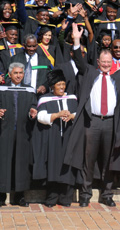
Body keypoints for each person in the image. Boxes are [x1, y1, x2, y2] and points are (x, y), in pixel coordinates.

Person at [64, 24, 120, 208]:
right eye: (103, 61)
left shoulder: (119, 76)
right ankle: (85, 194)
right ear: (98, 61)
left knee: (110, 160)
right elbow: (78, 60)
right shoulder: (90, 73)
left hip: (110, 123)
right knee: (88, 159)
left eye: (109, 62)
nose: (106, 64)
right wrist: (77, 40)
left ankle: (107, 194)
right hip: (92, 122)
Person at [0, 62, 38, 208]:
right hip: (5, 131)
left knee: (21, 164)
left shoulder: (29, 90)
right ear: (9, 75)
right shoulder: (1, 89)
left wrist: (32, 113)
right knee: (4, 163)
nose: (18, 76)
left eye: (20, 73)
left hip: (24, 132)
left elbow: (34, 106)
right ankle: (0, 197)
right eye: (15, 73)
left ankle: (20, 197)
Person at [34, 70, 78, 207]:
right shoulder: (45, 99)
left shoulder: (72, 98)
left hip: (69, 137)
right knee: (53, 167)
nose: (61, 87)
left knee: (67, 167)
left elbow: (79, 114)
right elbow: (41, 117)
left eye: (63, 84)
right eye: (58, 85)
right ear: (52, 86)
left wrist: (71, 116)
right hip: (52, 137)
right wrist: (57, 115)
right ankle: (52, 197)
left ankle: (66, 198)